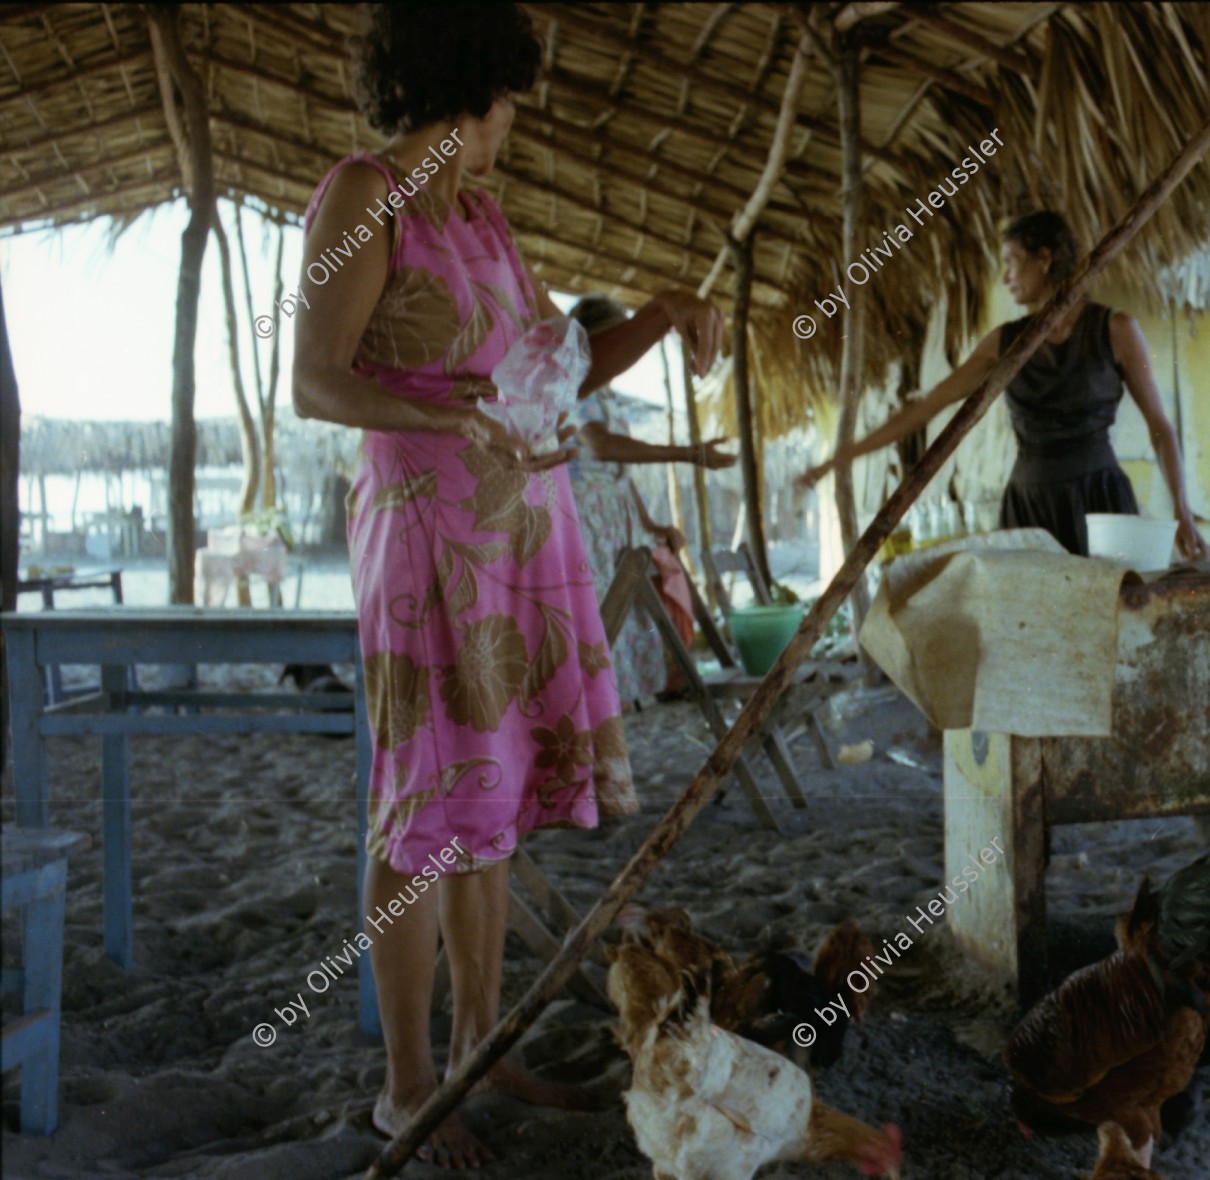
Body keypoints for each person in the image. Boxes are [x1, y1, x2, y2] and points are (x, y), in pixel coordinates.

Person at [291, 4, 721, 1168]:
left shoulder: (480, 213)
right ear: (471, 90)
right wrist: (446, 413)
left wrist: (663, 314)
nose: (511, 131)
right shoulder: (360, 195)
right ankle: (409, 1084)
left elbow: (557, 367)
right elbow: (316, 381)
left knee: (484, 801)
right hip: (426, 537)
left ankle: (482, 1044)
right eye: (509, 107)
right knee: (420, 805)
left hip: (514, 536)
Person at [802, 210, 1209, 560]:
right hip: (1030, 509)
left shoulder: (1115, 329)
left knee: (1113, 626)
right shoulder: (1004, 343)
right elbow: (926, 409)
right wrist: (839, 458)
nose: (1005, 276)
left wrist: (1183, 512)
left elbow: (1160, 426)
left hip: (1101, 504)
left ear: (1045, 259)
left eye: (1012, 261)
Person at [564, 294, 733, 705]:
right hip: (586, 521)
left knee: (619, 619)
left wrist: (650, 523)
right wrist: (687, 454)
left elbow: (622, 473)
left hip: (614, 520)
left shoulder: (608, 396)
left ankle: (612, 716)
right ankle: (597, 719)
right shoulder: (572, 385)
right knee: (598, 621)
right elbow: (602, 446)